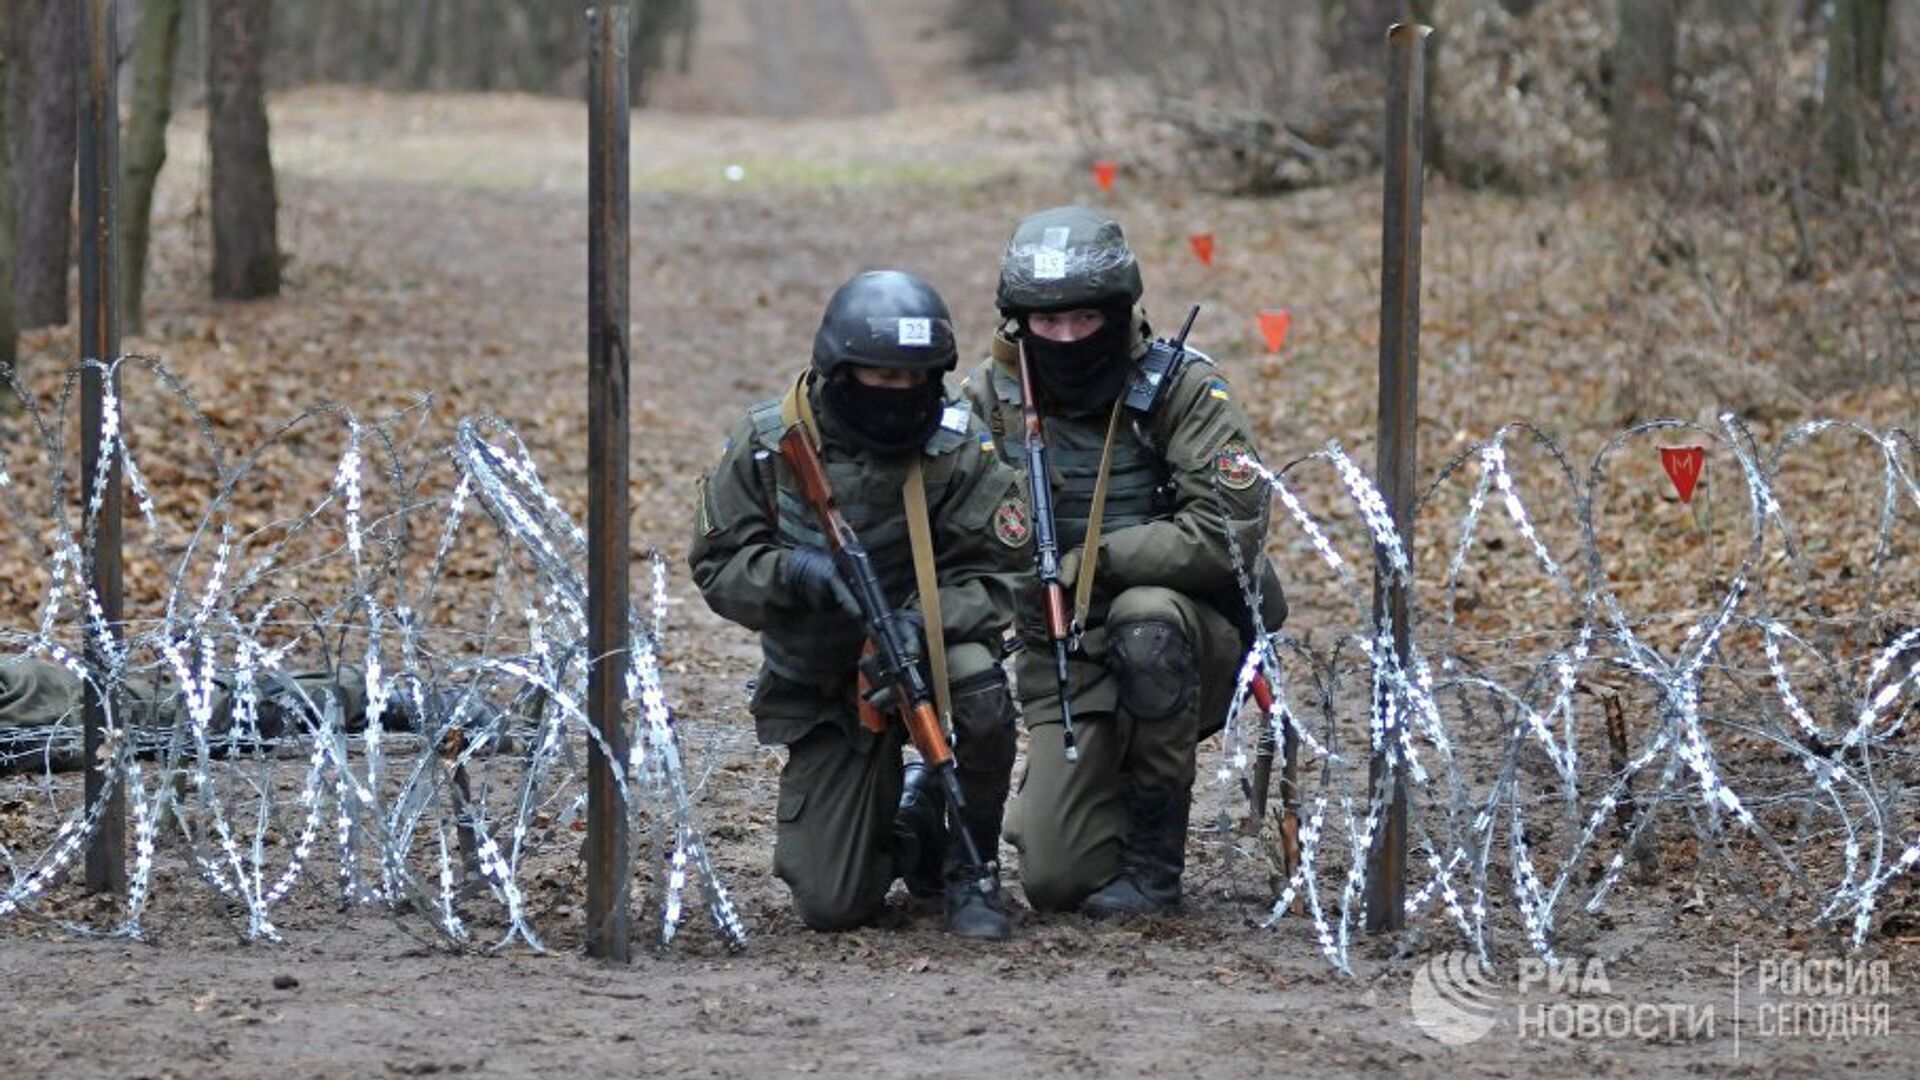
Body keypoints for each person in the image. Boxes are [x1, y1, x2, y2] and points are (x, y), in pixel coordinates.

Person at [960, 206, 1285, 918]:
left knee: (1146, 622)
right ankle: (1052, 803)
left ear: (1118, 310)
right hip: (1065, 659)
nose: (1068, 338)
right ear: (1020, 321)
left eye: (1085, 319)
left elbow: (1227, 532)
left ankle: (1153, 860)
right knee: (1054, 880)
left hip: (1187, 637)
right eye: (1048, 323)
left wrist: (1095, 562)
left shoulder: (1183, 390)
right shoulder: (988, 401)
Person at [689, 270, 1030, 940]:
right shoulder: (769, 444)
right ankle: (913, 822)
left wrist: (922, 622)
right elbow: (716, 565)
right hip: (825, 688)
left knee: (980, 685)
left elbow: (1006, 573)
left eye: (915, 381)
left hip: (924, 656)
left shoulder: (957, 448)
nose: (900, 397)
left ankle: (971, 869)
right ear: (839, 371)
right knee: (834, 904)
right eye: (881, 379)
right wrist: (791, 573)